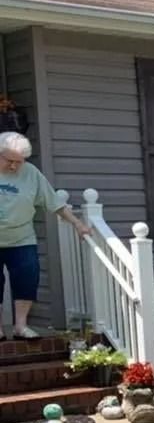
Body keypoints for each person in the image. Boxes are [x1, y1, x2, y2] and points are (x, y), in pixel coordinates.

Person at [0, 131, 91, 338]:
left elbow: (54, 202)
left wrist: (77, 223)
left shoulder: (31, 173)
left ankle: (20, 326)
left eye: (19, 162)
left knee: (27, 278)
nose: (14, 166)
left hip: (21, 238)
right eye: (10, 161)